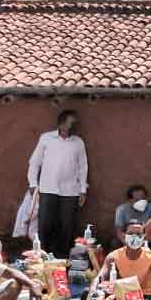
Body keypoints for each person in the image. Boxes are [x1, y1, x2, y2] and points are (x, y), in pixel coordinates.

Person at [27, 109, 88, 258]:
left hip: (70, 191)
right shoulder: (46, 138)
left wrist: (82, 189)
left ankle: (62, 258)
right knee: (45, 225)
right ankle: (42, 256)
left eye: (75, 124)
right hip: (48, 189)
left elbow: (83, 166)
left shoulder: (78, 142)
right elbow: (35, 162)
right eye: (70, 123)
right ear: (61, 124)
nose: (73, 126)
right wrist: (33, 183)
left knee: (67, 226)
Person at [89, 220, 151, 300]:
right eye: (130, 233)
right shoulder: (113, 256)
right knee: (88, 293)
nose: (134, 237)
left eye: (138, 234)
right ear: (124, 235)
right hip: (122, 295)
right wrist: (91, 294)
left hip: (143, 297)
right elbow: (100, 277)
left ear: (144, 237)